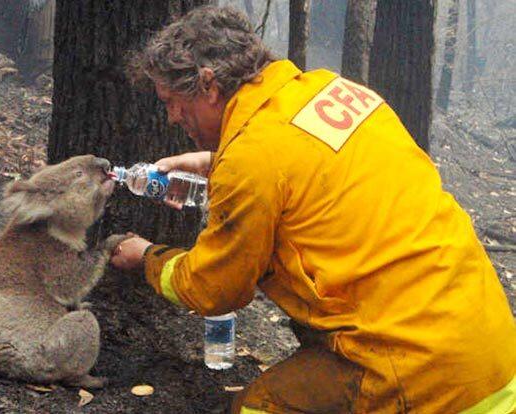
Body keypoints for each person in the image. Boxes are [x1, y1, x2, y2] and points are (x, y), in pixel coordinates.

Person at [111, 6, 516, 413]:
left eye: (173, 102)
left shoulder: (253, 159)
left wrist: (147, 257)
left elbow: (214, 288)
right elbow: (310, 169)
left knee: (256, 407)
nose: (171, 117)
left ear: (209, 86)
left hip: (420, 373)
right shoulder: (330, 90)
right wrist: (215, 162)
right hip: (491, 349)